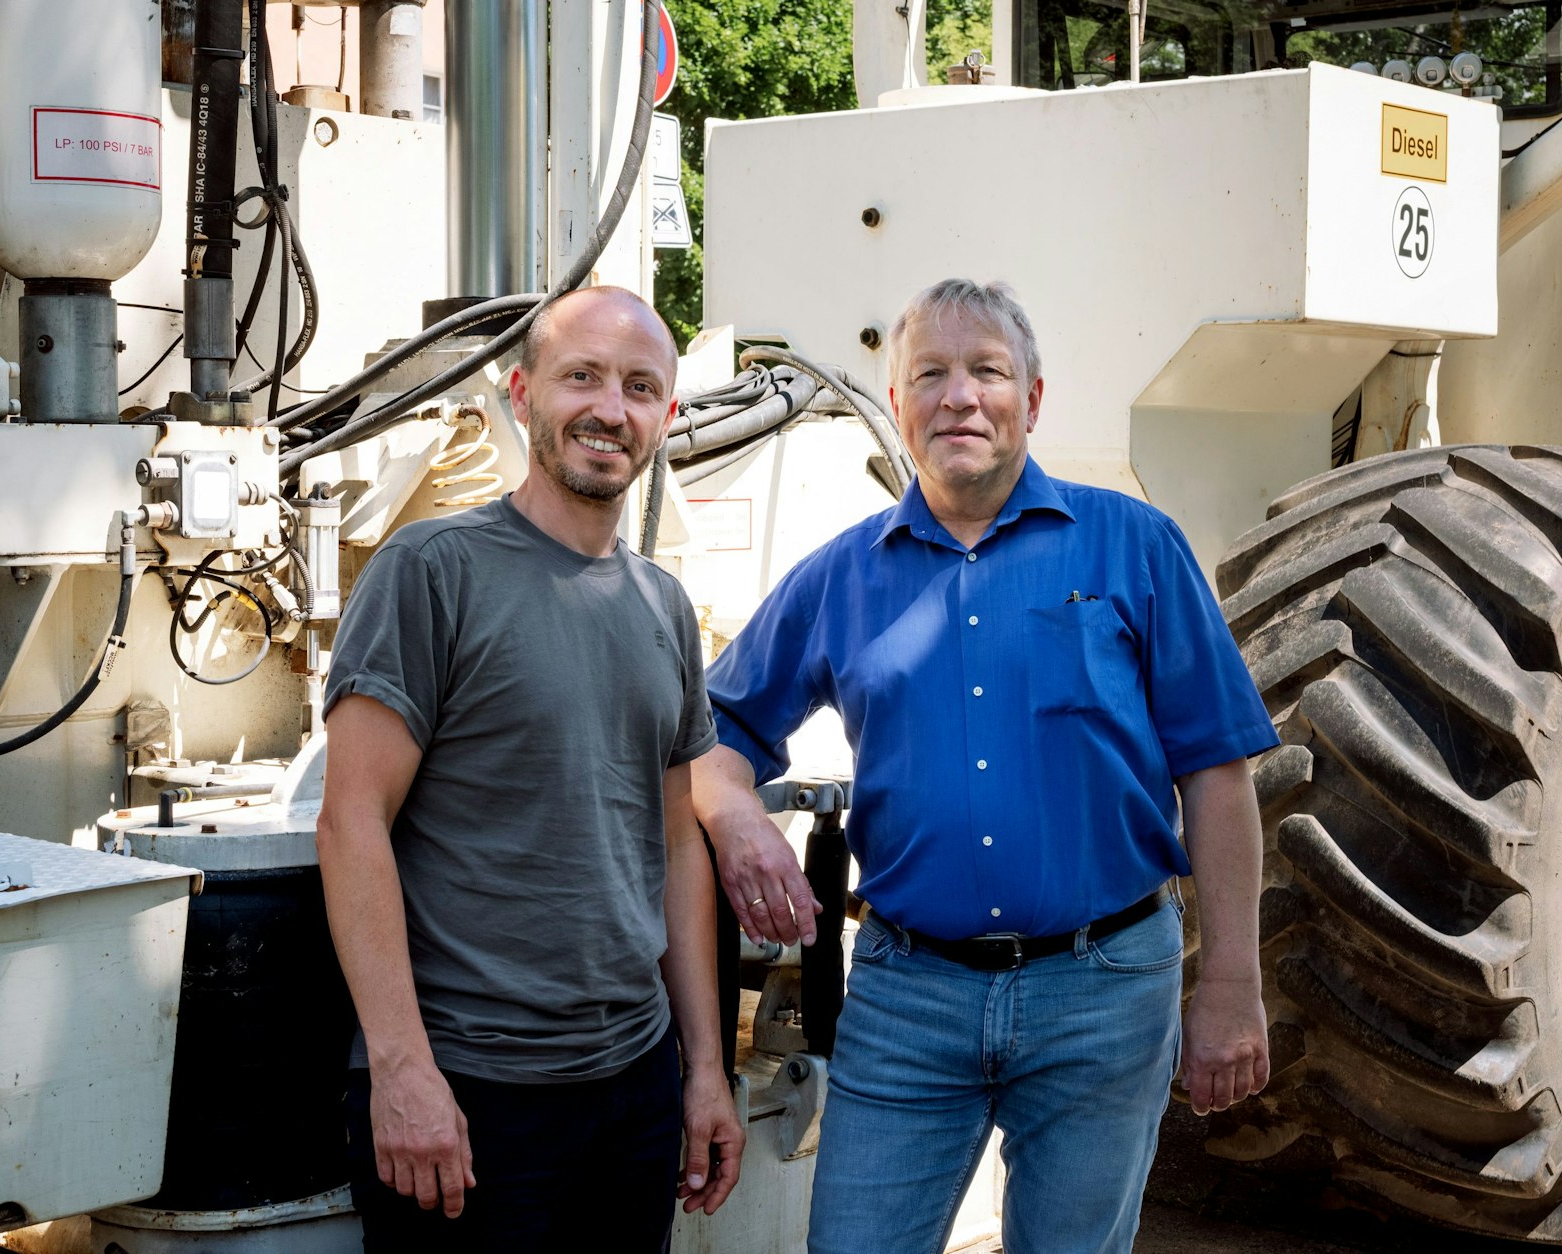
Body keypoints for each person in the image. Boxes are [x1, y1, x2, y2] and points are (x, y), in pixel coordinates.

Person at [692, 278, 1276, 1252]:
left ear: (1032, 401)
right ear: (896, 404)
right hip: (905, 992)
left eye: (986, 372)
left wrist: (1229, 980)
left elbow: (1216, 774)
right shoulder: (839, 576)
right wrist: (737, 816)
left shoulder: (1135, 546)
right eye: (929, 374)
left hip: (1102, 988)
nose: (958, 395)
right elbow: (711, 733)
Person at [316, 285, 743, 1252]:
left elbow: (676, 844)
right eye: (580, 376)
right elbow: (351, 825)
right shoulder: (431, 572)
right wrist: (401, 1069)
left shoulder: (663, 607)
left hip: (632, 1087)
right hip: (470, 1096)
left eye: (640, 387)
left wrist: (703, 1068)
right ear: (520, 393)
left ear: (667, 417)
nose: (609, 408)